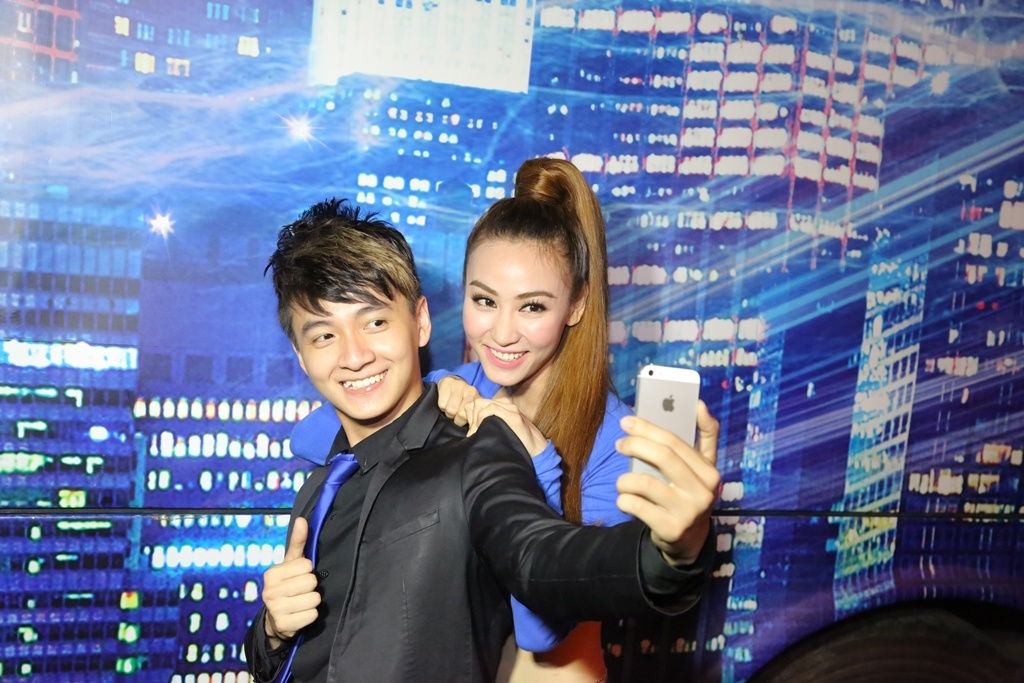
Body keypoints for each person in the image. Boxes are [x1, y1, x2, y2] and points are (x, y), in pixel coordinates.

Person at [244, 198, 721, 683]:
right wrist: (272, 631)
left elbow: (543, 566)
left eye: (375, 322)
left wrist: (672, 555)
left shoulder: (502, 451)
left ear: (421, 321)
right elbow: (324, 435)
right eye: (485, 301)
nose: (504, 332)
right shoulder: (343, 470)